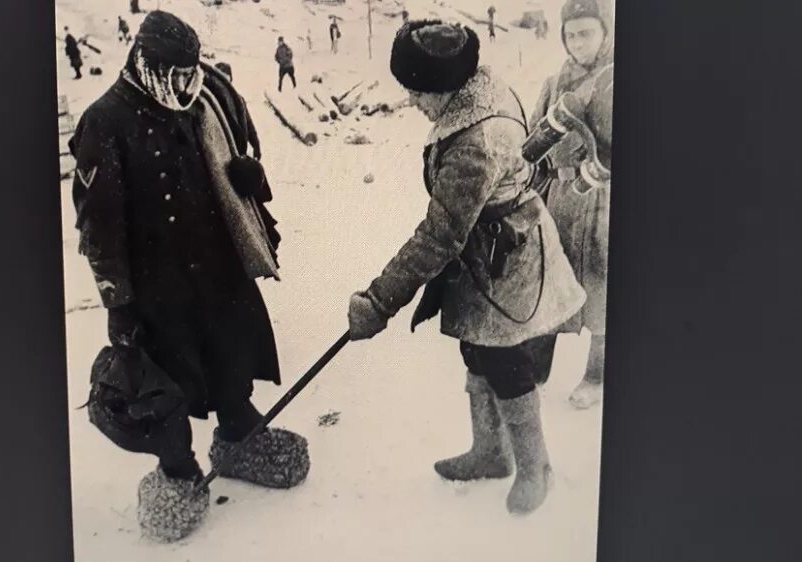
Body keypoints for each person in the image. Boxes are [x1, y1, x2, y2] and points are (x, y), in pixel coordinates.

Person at [68, 11, 307, 542]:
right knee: (169, 380)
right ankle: (178, 469)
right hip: (157, 288)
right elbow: (98, 228)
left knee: (231, 349)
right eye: (173, 75)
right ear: (147, 64)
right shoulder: (104, 122)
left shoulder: (202, 97)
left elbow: (235, 148)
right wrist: (118, 303)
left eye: (188, 73)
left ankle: (239, 428)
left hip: (216, 267)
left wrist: (249, 177)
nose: (184, 85)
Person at [347, 20, 585, 515]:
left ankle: (534, 465)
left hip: (509, 262)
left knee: (505, 362)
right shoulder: (476, 90)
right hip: (484, 252)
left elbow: (440, 234)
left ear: (445, 86)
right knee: (476, 352)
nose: (412, 102)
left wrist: (378, 299)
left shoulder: (477, 139)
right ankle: (490, 452)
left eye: (416, 91)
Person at [530, 0, 614, 409]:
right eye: (571, 34)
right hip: (561, 200)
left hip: (604, 202)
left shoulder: (619, 80)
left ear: (606, 32)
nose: (578, 42)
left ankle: (597, 376)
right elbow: (532, 144)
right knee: (550, 282)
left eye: (587, 32)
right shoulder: (553, 83)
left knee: (603, 287)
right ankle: (534, 372)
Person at [214, 61, 263, 159]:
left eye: (226, 81)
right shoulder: (211, 101)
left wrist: (256, 144)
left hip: (237, 152)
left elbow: (248, 124)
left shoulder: (238, 99)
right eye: (220, 80)